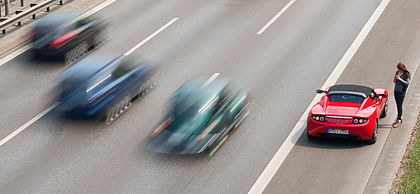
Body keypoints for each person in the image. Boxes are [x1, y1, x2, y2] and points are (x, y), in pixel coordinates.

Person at [392, 62, 411, 128]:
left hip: (401, 92)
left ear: (402, 69)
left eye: (399, 69)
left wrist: (400, 79)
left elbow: (407, 83)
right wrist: (395, 79)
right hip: (396, 90)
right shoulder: (397, 72)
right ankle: (399, 116)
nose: (398, 70)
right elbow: (394, 82)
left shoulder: (406, 74)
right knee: (397, 104)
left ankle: (399, 119)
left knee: (399, 105)